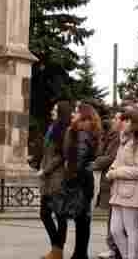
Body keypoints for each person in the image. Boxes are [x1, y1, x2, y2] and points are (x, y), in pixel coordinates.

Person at [107, 110, 138, 259]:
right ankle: (126, 255)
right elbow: (117, 161)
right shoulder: (125, 141)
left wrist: (116, 172)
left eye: (127, 120)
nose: (123, 123)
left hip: (134, 191)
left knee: (130, 228)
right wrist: (112, 169)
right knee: (115, 230)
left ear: (136, 123)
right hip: (118, 190)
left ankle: (132, 256)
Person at [63, 103, 102, 259]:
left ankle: (80, 254)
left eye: (77, 111)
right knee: (83, 219)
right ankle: (80, 252)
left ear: (84, 115)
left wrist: (71, 177)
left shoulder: (81, 132)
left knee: (81, 218)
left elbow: (78, 157)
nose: (74, 113)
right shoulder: (91, 131)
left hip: (79, 180)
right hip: (86, 179)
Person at [38, 101, 73, 259]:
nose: (52, 111)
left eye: (55, 109)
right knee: (45, 214)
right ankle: (56, 249)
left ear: (61, 112)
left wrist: (46, 169)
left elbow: (61, 156)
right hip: (47, 178)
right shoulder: (52, 128)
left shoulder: (65, 130)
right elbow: (47, 152)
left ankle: (57, 250)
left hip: (57, 178)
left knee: (60, 216)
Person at [93, 111, 125, 259]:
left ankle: (116, 249)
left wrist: (95, 163)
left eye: (117, 118)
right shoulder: (111, 136)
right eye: (114, 118)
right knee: (112, 217)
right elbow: (100, 153)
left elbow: (111, 157)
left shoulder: (119, 137)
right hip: (109, 180)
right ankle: (113, 247)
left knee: (116, 218)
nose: (114, 120)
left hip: (114, 180)